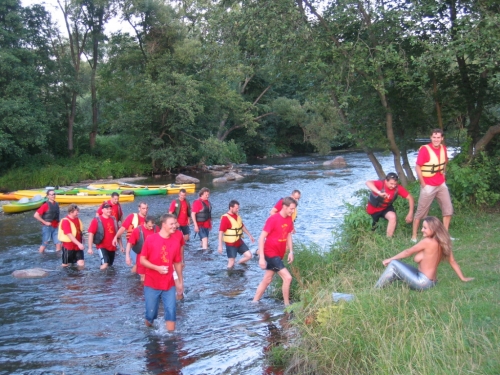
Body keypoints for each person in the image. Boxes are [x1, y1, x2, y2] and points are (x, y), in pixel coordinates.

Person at [375, 216, 473, 290]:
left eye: (425, 228)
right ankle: (384, 286)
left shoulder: (428, 242)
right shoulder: (444, 242)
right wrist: (462, 278)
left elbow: (407, 252)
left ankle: (376, 290)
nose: (422, 230)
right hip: (432, 282)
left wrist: (389, 259)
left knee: (394, 263)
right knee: (397, 268)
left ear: (433, 229)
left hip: (423, 282)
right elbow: (453, 261)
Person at [140, 214, 184, 331]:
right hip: (152, 283)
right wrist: (156, 268)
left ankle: (170, 338)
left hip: (169, 284)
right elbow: (142, 260)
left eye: (175, 223)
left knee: (171, 311)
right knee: (151, 315)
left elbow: (177, 263)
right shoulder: (151, 239)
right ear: (163, 225)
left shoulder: (175, 242)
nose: (174, 226)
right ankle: (148, 330)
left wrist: (180, 282)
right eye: (171, 224)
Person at [253, 197, 297, 306]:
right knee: (288, 277)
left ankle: (254, 302)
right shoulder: (273, 219)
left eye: (294, 209)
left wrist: (291, 251)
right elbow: (261, 237)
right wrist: (262, 258)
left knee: (267, 279)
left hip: (279, 253)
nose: (293, 211)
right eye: (291, 209)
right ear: (284, 207)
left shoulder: (289, 219)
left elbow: (288, 235)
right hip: (270, 252)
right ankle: (287, 306)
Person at [412, 129, 453, 242]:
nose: (436, 139)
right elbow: (418, 167)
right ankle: (414, 236)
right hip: (428, 185)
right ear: (431, 137)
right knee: (421, 211)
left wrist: (443, 175)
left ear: (442, 138)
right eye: (434, 137)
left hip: (440, 183)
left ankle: (445, 235)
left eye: (438, 137)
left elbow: (444, 163)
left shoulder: (443, 149)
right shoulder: (425, 150)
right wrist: (423, 183)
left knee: (448, 209)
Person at [366, 173, 414, 237]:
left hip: (385, 208)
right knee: (372, 228)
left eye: (395, 184)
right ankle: (370, 238)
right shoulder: (380, 184)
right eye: (391, 184)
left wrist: (410, 213)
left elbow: (410, 198)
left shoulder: (397, 188)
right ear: (386, 181)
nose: (393, 186)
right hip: (373, 209)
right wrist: (379, 193)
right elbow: (368, 182)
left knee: (393, 217)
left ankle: (388, 239)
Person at [218, 200, 255, 269]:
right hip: (230, 243)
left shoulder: (237, 216)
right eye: (236, 208)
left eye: (238, 208)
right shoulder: (225, 218)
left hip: (238, 241)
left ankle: (238, 264)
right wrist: (220, 245)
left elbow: (242, 226)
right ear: (231, 208)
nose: (238, 210)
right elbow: (221, 232)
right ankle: (229, 275)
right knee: (231, 261)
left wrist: (250, 235)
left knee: (249, 255)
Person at [88, 203, 122, 270]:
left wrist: (121, 246)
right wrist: (90, 248)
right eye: (107, 209)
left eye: (110, 209)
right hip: (102, 246)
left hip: (112, 247)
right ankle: (99, 278)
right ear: (102, 210)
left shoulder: (114, 220)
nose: (109, 210)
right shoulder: (97, 220)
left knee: (109, 265)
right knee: (105, 263)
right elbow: (91, 234)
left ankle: (106, 279)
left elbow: (118, 234)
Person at [125, 215, 158, 282]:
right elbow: (129, 244)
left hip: (153, 257)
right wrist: (127, 256)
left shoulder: (156, 228)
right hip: (141, 256)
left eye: (152, 226)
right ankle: (141, 290)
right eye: (149, 226)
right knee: (143, 277)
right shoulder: (137, 230)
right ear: (144, 223)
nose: (151, 228)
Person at [58, 204, 85, 268]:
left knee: (81, 262)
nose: (78, 213)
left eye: (78, 211)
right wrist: (79, 244)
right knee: (66, 265)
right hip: (68, 247)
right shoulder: (65, 221)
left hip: (77, 246)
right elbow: (69, 234)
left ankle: (80, 277)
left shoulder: (77, 219)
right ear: (71, 212)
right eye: (76, 212)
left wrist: (82, 237)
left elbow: (78, 230)